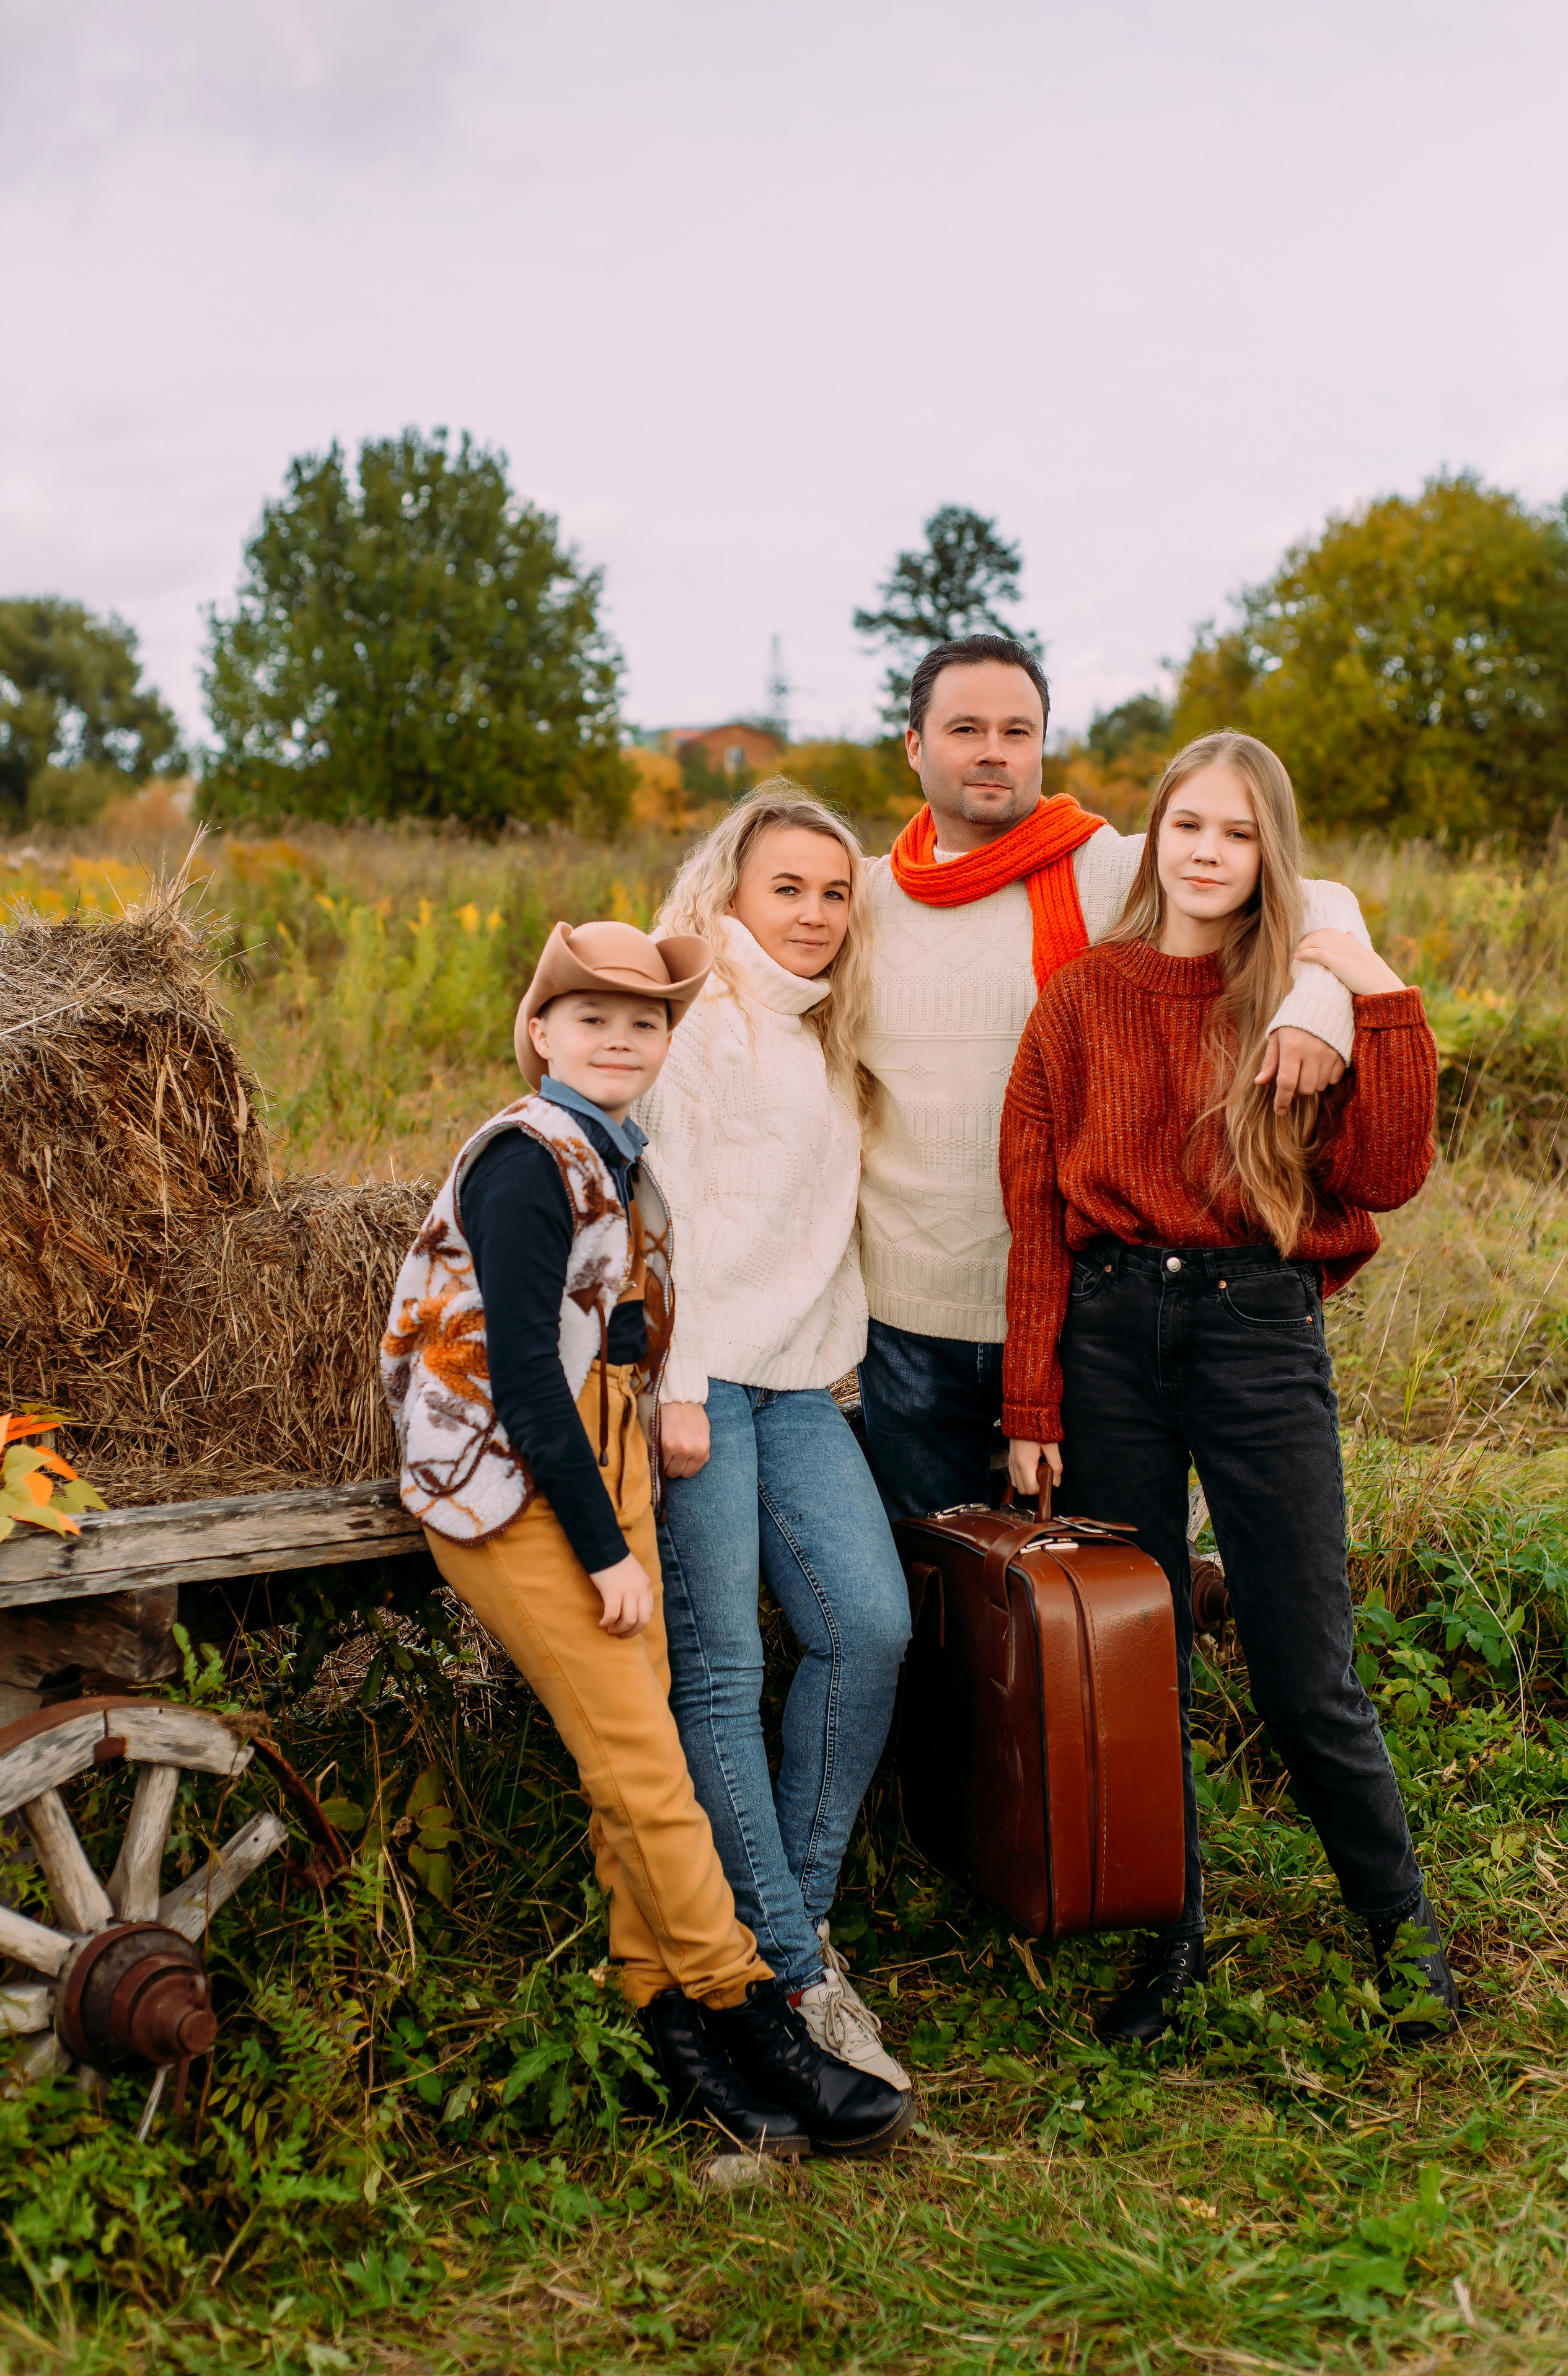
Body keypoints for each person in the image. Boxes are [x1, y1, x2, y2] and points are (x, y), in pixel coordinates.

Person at [381, 917, 913, 2157]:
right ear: (540, 1032)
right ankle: (760, 2023)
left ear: (667, 1040)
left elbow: (606, 1339)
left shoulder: (614, 1153)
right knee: (648, 1774)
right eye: (591, 1019)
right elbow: (518, 1374)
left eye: (643, 1022)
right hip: (516, 1496)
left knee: (639, 1770)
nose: (618, 1039)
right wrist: (606, 1549)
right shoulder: (527, 1157)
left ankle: (669, 2031)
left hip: (598, 1468)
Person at [1000, 730, 1462, 2046]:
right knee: (1138, 1662)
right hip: (1104, 1336)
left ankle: (1401, 1933)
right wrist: (1030, 1409)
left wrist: (1368, 991)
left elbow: (1384, 1174)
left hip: (1253, 1329)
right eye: (1186, 826)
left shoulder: (1300, 1001)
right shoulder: (1083, 997)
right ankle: (1171, 1938)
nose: (1206, 852)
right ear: (1155, 840)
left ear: (1272, 856)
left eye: (1238, 832)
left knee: (1302, 1661)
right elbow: (1032, 1211)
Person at [855, 633, 1373, 1526]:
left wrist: (1319, 1002)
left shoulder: (1100, 866)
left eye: (1018, 731)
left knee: (1090, 1606)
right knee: (939, 1594)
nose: (993, 751)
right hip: (910, 1320)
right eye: (965, 728)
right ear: (913, 744)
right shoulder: (860, 898)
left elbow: (1310, 894)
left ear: (1043, 745)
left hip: (1083, 1313)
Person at [635, 785, 912, 2092]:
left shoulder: (827, 1037)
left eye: (830, 892)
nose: (809, 914)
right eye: (784, 888)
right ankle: (793, 1976)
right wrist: (674, 1382)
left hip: (802, 1384)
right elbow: (655, 1209)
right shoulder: (696, 1026)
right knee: (722, 1665)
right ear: (730, 892)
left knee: (870, 1626)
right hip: (696, 1386)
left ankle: (786, 1936)